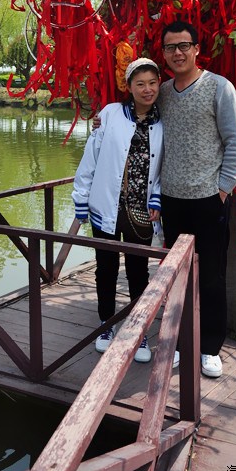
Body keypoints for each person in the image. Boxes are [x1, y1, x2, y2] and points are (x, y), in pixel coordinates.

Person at [159, 20, 236, 378]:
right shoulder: (163, 92)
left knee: (211, 275)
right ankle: (180, 342)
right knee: (175, 275)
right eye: (170, 47)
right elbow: (139, 123)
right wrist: (103, 123)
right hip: (171, 199)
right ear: (164, 54)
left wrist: (222, 189)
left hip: (209, 199)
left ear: (197, 49)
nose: (177, 53)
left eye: (184, 45)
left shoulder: (218, 87)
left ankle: (210, 347)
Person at [72, 58, 164, 363]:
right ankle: (106, 325)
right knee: (106, 267)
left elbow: (164, 167)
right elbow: (91, 157)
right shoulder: (110, 114)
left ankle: (138, 331)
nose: (147, 89)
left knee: (139, 271)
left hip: (141, 210)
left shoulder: (164, 122)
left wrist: (157, 197)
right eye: (140, 84)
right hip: (107, 205)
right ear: (129, 87)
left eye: (152, 83)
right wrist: (81, 197)